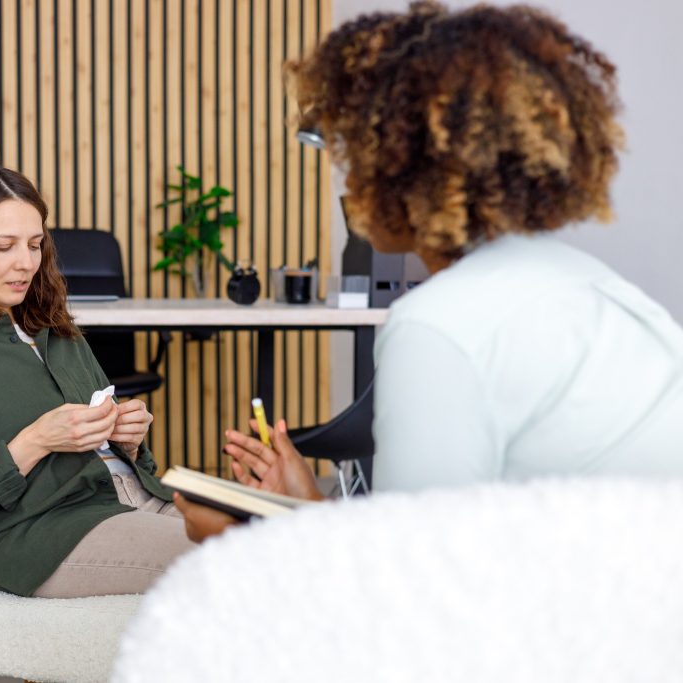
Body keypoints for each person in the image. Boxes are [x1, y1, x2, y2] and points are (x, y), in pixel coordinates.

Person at [176, 1, 683, 541]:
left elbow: (413, 589)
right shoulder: (597, 286)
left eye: (356, 157)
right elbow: (444, 542)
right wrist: (309, 507)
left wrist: (242, 542)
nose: (346, 182)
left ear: (401, 165)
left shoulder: (439, 325)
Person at [0, 166, 193, 597]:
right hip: (50, 534)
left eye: (35, 244)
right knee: (235, 563)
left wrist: (129, 439)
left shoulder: (58, 332)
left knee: (279, 542)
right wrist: (34, 442)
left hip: (135, 498)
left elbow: (127, 462)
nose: (26, 263)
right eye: (4, 246)